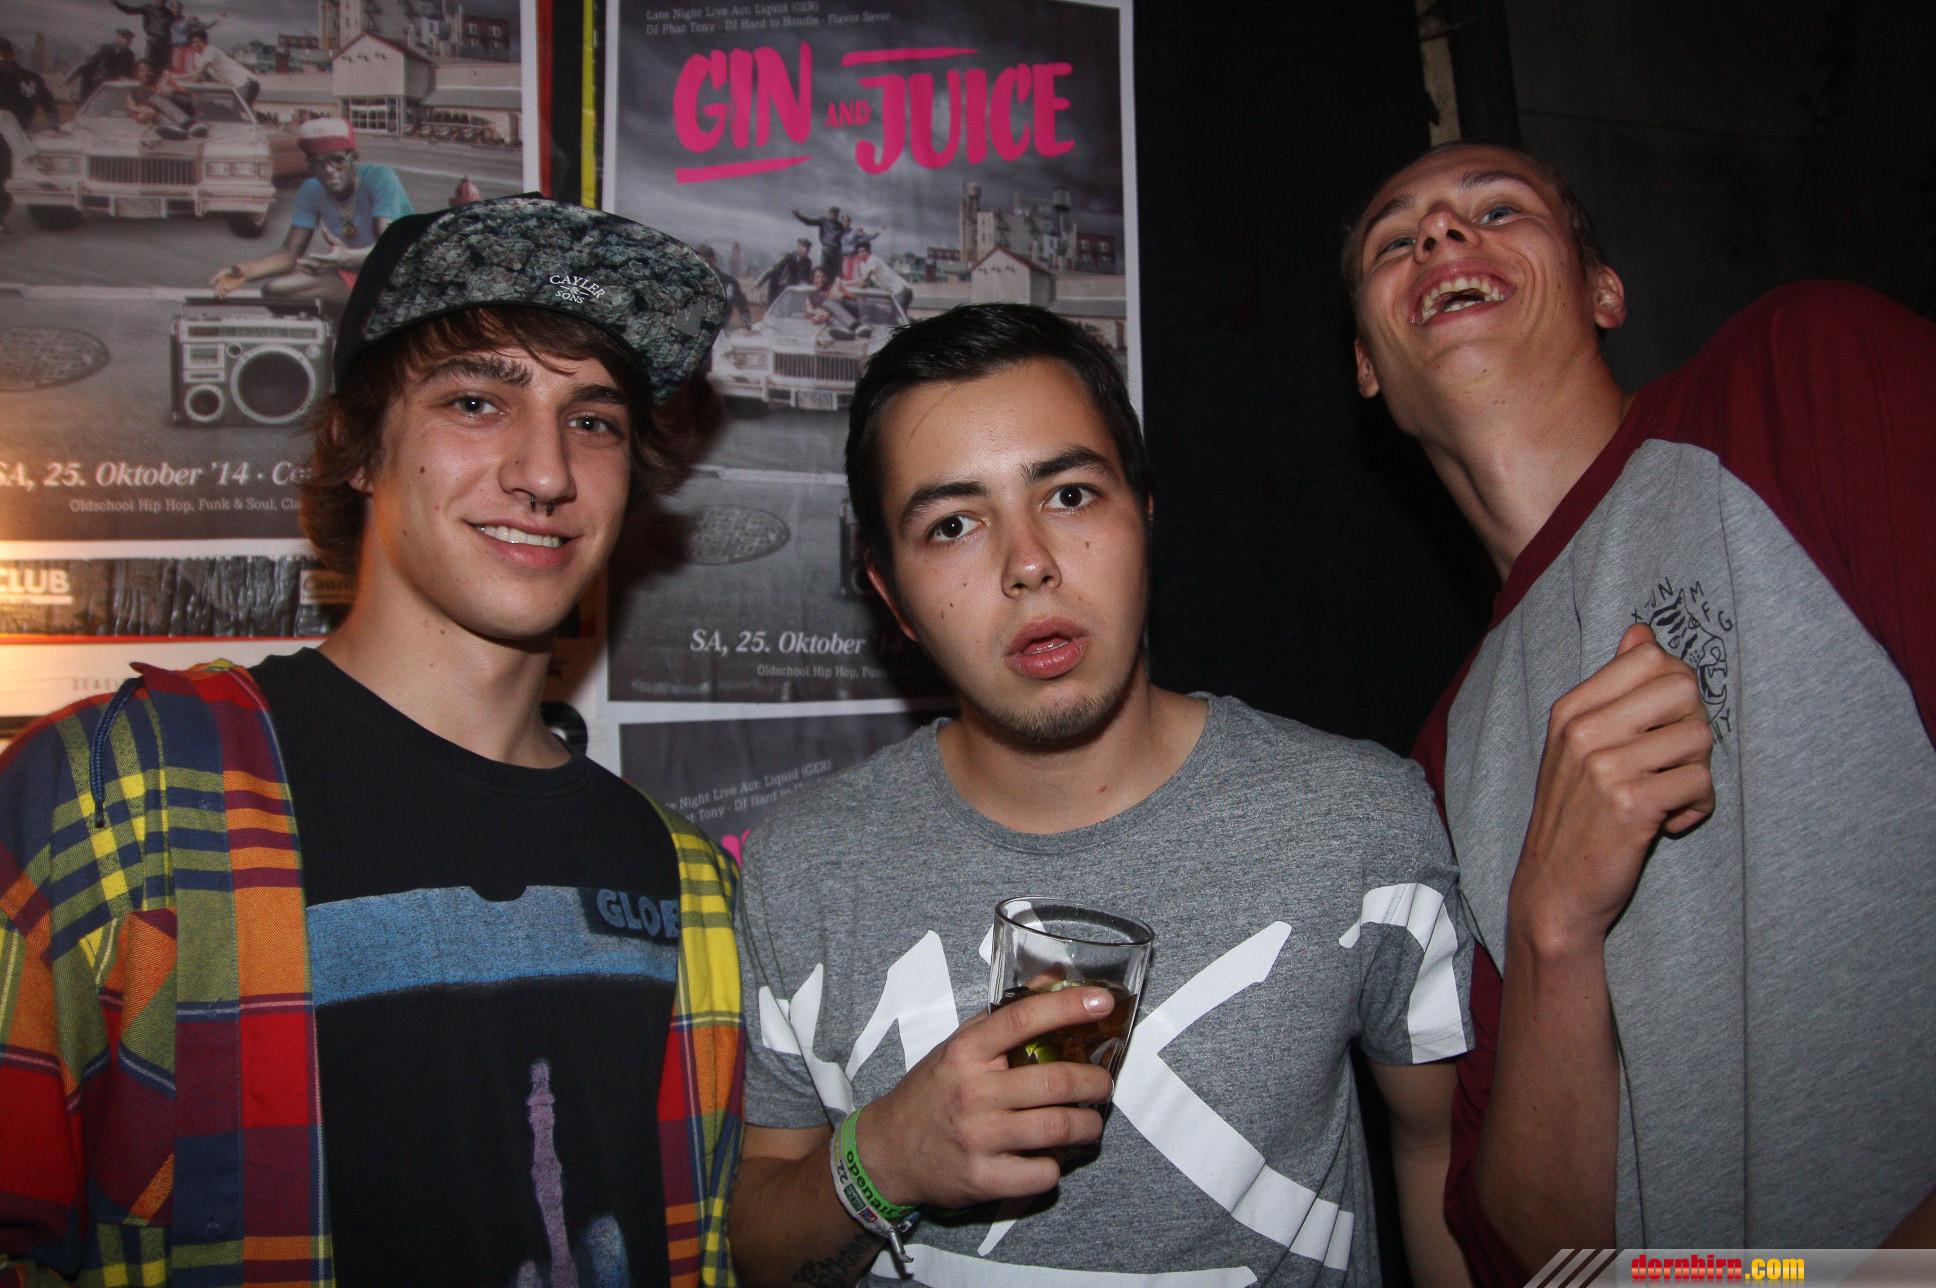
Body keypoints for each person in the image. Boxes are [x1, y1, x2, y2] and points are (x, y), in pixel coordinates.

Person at [0, 195, 742, 1286]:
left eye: (594, 421)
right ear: (359, 447)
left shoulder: (686, 877)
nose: (545, 473)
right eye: (477, 401)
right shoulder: (122, 789)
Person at [730, 302, 1474, 1286]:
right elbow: (758, 1244)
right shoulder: (803, 865)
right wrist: (883, 1161)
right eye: (953, 525)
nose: (1028, 562)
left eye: (1070, 495)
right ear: (892, 593)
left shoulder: (1360, 819)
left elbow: (1442, 1163)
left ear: (1144, 513)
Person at [1345, 141, 1936, 1278]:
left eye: (1497, 209)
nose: (1441, 235)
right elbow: (1536, 1257)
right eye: (1394, 239)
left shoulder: (1799, 376)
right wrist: (1549, 927)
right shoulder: (1442, 757)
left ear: (1604, 292)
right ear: (1367, 364)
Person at [210, 117, 412, 305]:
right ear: (309, 164)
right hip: (356, 272)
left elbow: (391, 250)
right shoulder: (311, 189)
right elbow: (289, 253)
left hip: (399, 274)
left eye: (338, 160)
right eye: (318, 162)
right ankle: (343, 322)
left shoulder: (380, 178)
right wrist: (246, 271)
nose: (329, 169)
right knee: (276, 291)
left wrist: (348, 258)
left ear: (354, 158)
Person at [182, 23, 255, 105]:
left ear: (205, 42)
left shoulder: (210, 50)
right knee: (238, 110)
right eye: (193, 42)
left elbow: (199, 72)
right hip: (237, 85)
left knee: (239, 110)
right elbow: (198, 76)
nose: (196, 44)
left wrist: (179, 78)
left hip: (245, 82)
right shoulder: (197, 56)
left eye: (198, 41)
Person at [62, 28, 137, 104]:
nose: (126, 41)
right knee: (88, 105)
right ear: (117, 38)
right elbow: (86, 64)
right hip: (95, 84)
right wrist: (68, 79)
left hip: (111, 85)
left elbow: (128, 72)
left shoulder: (129, 55)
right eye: (123, 38)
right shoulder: (106, 49)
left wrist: (135, 83)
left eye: (129, 39)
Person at [109, 0, 182, 75]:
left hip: (165, 43)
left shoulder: (168, 12)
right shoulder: (148, 8)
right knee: (148, 66)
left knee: (165, 68)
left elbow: (179, 22)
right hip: (153, 41)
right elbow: (130, 10)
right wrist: (115, 3)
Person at [846, 237, 912, 313]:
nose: (861, 254)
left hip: (902, 290)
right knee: (895, 316)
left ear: (869, 252)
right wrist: (846, 284)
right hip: (894, 293)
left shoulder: (873, 259)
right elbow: (863, 282)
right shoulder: (862, 264)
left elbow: (864, 280)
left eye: (863, 251)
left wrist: (848, 283)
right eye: (859, 252)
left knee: (896, 315)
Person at [697, 243, 752, 327]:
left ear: (714, 261)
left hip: (721, 331)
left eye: (707, 261)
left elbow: (743, 306)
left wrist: (747, 324)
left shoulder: (729, 283)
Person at [793, 204, 844, 282]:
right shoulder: (823, 221)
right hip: (827, 248)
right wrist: (799, 217)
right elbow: (809, 222)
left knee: (836, 272)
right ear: (829, 213)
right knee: (822, 269)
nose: (835, 215)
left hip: (836, 251)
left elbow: (844, 235)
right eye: (833, 213)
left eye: (836, 214)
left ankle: (832, 286)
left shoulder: (839, 225)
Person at [758, 237, 815, 305]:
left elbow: (806, 277)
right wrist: (758, 283)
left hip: (796, 289)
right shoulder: (789, 256)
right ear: (798, 247)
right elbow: (774, 269)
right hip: (783, 287)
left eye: (808, 248)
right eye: (803, 246)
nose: (806, 250)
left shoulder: (808, 262)